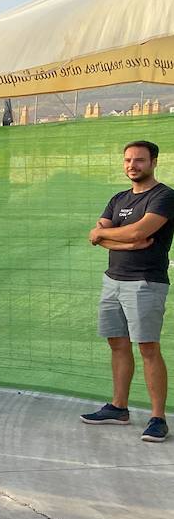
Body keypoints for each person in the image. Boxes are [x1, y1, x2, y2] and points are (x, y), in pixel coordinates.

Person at [85, 140, 174, 441]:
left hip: (145, 282)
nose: (132, 165)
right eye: (127, 160)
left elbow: (139, 231)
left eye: (139, 160)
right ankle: (119, 408)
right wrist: (125, 241)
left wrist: (111, 235)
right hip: (113, 280)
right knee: (117, 345)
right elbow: (96, 236)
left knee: (148, 348)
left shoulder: (164, 197)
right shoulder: (118, 198)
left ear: (153, 162)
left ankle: (158, 418)